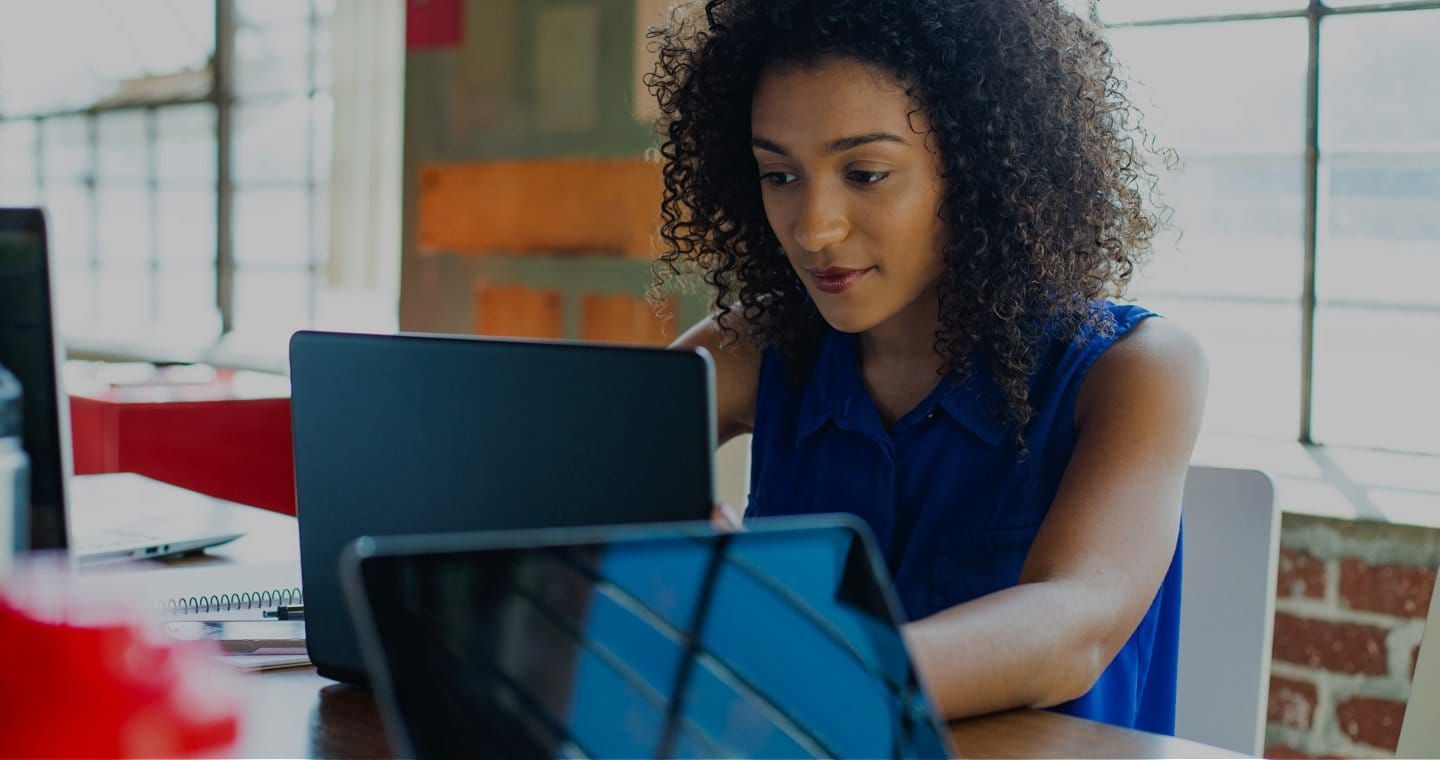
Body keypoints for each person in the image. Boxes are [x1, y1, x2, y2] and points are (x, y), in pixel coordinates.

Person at [646, 0, 1208, 733]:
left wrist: (795, 661)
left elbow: (1076, 625)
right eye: (779, 176)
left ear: (979, 165)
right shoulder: (756, 348)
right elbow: (557, 491)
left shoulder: (1136, 368)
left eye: (867, 173)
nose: (814, 228)